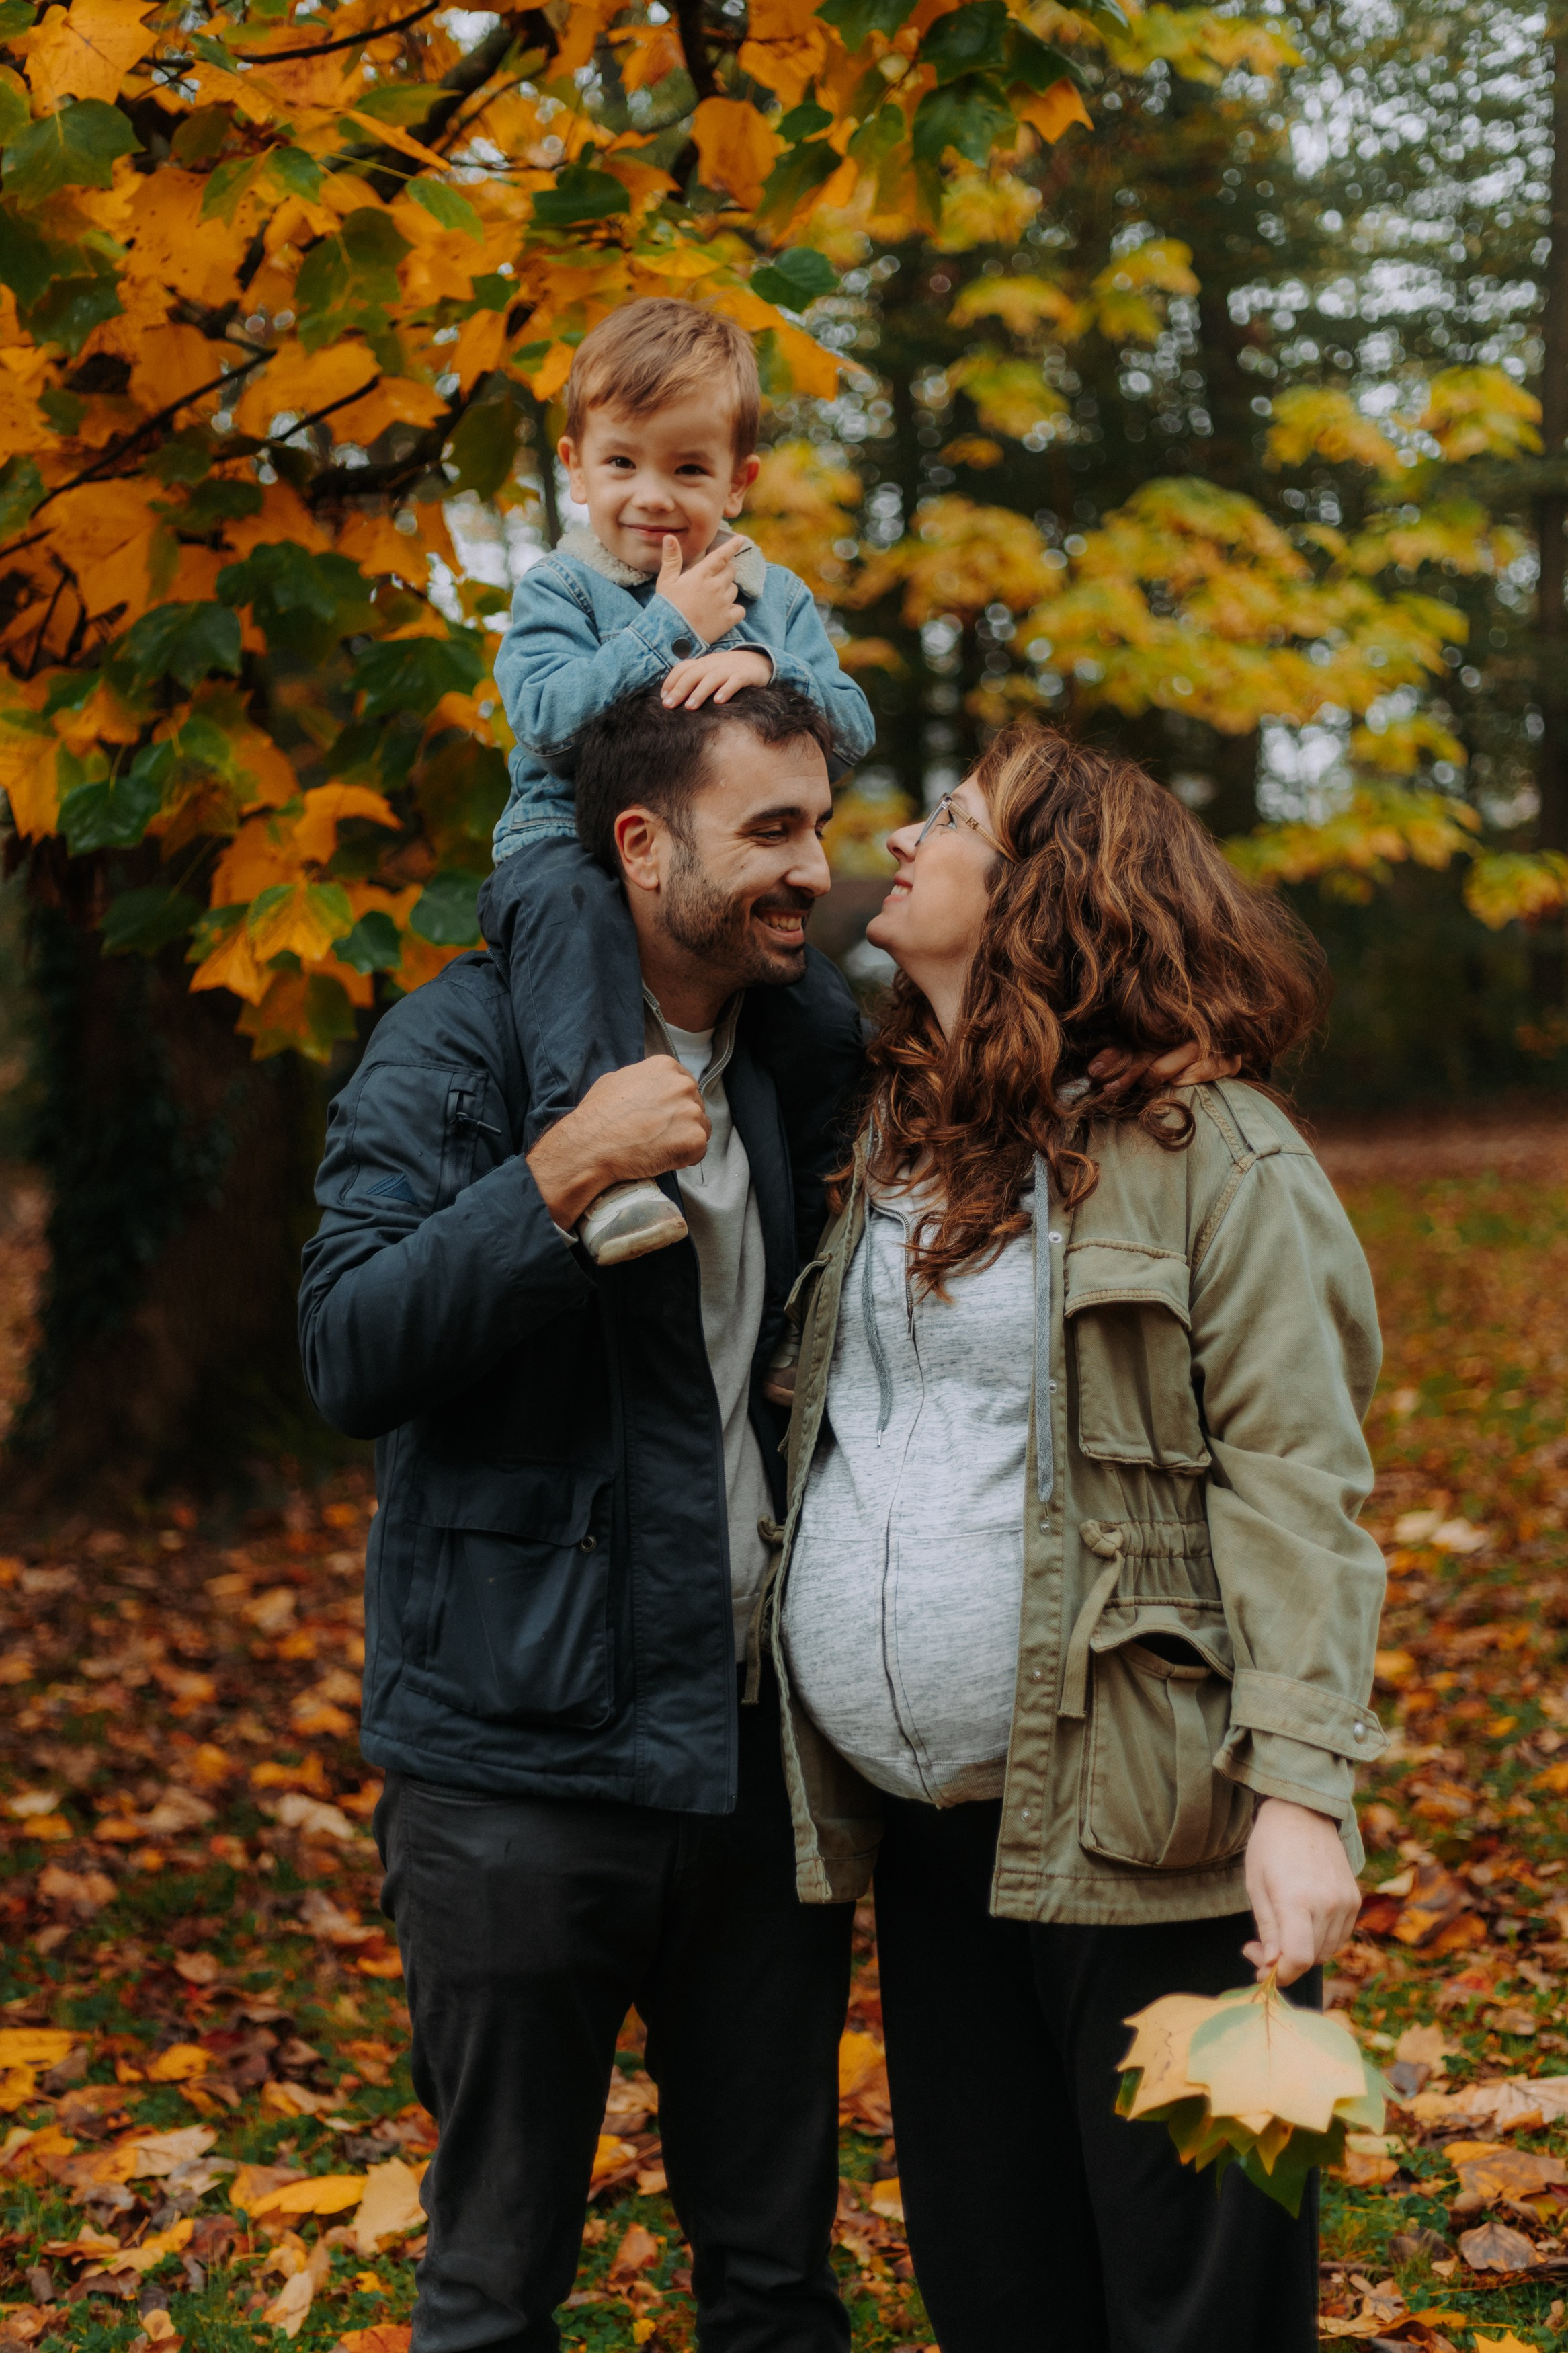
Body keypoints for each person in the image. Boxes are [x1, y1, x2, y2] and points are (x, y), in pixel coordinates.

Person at [765, 723, 1387, 2353]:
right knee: (1000, 2292)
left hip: (1159, 1825)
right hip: (945, 1828)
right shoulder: (895, 1134)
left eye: (950, 820)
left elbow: (1299, 1480)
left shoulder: (1222, 1156)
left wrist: (1303, 1792)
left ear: (1042, 891)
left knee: (1202, 2308)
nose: (900, 841)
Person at [298, 681, 866, 2353]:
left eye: (820, 827)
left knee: (774, 2283)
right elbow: (347, 1347)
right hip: (514, 1771)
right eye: (770, 831)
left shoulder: (802, 1054)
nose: (810, 870)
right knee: (491, 2289)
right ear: (640, 842)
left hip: (758, 1766)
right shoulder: (452, 1044)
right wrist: (556, 1175)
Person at [484, 296, 876, 1268]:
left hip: (714, 874)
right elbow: (542, 719)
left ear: (736, 484)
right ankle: (605, 1177)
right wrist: (669, 629)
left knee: (825, 1018)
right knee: (573, 957)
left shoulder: (772, 597)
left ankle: (829, 1245)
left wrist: (766, 671)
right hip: (565, 849)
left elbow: (855, 725)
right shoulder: (559, 590)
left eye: (687, 469)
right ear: (575, 466)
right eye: (623, 463)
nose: (652, 495)